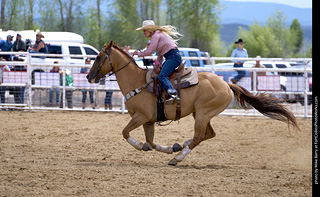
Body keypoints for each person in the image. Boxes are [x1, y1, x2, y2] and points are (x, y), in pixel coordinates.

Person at [132, 20, 183, 103]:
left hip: (172, 57)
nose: (143, 33)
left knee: (162, 76)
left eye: (144, 30)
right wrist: (157, 64)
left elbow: (149, 51)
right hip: (172, 57)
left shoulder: (156, 36)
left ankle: (173, 93)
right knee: (161, 74)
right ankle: (167, 94)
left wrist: (138, 53)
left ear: (149, 30)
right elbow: (160, 55)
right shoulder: (158, 35)